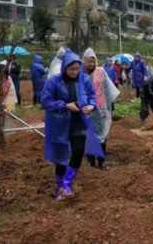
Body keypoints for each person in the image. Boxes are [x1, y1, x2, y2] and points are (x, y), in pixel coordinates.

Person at [41, 49, 102, 201]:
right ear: (64, 68)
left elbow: (91, 96)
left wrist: (92, 106)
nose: (75, 72)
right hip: (59, 123)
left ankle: (67, 184)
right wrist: (65, 105)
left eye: (77, 69)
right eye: (71, 69)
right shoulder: (54, 81)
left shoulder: (85, 80)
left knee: (78, 151)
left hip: (78, 121)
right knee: (61, 157)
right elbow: (45, 101)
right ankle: (59, 188)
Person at [82, 49, 120, 170]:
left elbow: (108, 89)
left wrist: (111, 106)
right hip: (87, 109)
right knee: (89, 135)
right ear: (84, 62)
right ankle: (91, 161)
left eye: (93, 61)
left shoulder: (101, 71)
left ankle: (101, 162)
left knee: (102, 136)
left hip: (102, 108)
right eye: (89, 62)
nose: (91, 64)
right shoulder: (80, 74)